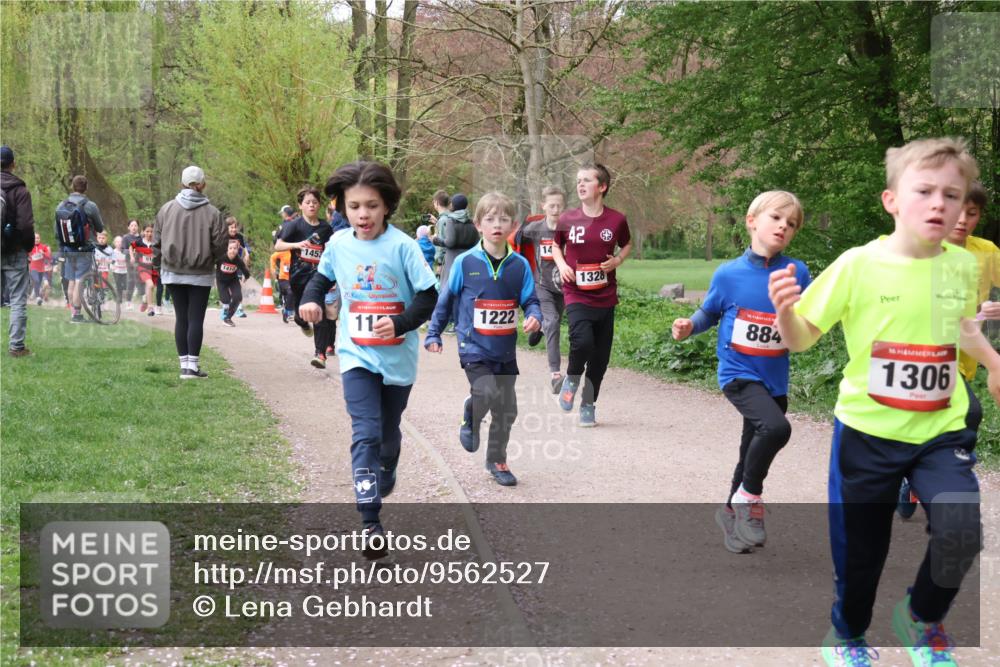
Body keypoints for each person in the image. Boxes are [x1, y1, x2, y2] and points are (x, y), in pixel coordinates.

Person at [767, 138, 996, 667]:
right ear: (892, 199)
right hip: (868, 431)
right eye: (924, 191)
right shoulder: (857, 264)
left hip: (941, 427)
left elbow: (959, 328)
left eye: (952, 195)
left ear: (965, 207)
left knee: (962, 528)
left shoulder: (963, 266)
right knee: (861, 552)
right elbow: (803, 337)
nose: (939, 204)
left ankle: (922, 617)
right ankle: (847, 634)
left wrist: (992, 362)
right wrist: (785, 313)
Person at [299, 161, 438, 559]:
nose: (363, 215)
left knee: (389, 435)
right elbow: (320, 279)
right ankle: (370, 522)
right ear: (342, 207)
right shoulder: (340, 244)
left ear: (387, 207)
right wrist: (310, 300)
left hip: (398, 360)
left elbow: (428, 296)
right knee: (366, 433)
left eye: (372, 206)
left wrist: (399, 323)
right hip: (356, 355)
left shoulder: (404, 246)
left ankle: (388, 468)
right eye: (354, 206)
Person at [672, 191, 810, 554]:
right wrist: (690, 326)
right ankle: (750, 500)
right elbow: (710, 312)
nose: (783, 226)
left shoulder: (797, 272)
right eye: (776, 218)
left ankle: (731, 511)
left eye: (791, 223)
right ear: (752, 221)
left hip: (775, 377)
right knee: (776, 428)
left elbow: (807, 320)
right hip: (737, 372)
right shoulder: (730, 274)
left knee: (751, 447)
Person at [896, 180, 1000, 519]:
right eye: (957, 211)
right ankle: (940, 485)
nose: (962, 220)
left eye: (971, 214)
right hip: (926, 355)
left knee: (942, 423)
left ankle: (912, 478)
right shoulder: (923, 249)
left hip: (967, 356)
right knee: (968, 413)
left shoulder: (987, 252)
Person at [425, 192, 542, 487]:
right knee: (487, 390)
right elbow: (446, 300)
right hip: (472, 345)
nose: (497, 225)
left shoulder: (520, 266)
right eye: (490, 219)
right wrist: (434, 332)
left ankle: (496, 460)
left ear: (513, 225)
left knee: (507, 408)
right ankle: (471, 414)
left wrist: (535, 315)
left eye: (503, 219)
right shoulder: (465, 263)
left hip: (504, 348)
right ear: (478, 224)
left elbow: (531, 300)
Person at [551, 163, 633, 426]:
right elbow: (555, 246)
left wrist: (618, 260)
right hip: (575, 291)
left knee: (600, 357)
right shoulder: (567, 219)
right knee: (582, 341)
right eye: (578, 180)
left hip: (605, 295)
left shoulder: (617, 220)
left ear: (602, 186)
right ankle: (571, 380)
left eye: (586, 180)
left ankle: (588, 404)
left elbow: (628, 243)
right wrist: (563, 265)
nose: (580, 184)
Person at [153, 165, 227, 379]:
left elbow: (156, 242)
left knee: (181, 318)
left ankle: (184, 365)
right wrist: (215, 260)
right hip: (201, 272)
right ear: (202, 184)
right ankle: (192, 367)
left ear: (182, 183)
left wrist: (158, 265)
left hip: (172, 271)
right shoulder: (213, 213)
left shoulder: (166, 210)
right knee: (195, 318)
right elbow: (221, 244)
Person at [275, 186, 335, 368]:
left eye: (315, 202)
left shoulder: (326, 228)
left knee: (320, 313)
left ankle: (320, 354)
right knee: (300, 316)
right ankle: (302, 323)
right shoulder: (294, 225)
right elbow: (278, 245)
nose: (312, 206)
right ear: (300, 205)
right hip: (297, 276)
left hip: (319, 276)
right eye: (308, 202)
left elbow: (332, 250)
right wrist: (296, 245)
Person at [518, 186, 567, 392]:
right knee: (553, 321)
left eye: (559, 205)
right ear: (544, 206)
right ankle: (555, 374)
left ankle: (539, 328)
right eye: (552, 205)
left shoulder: (570, 229)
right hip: (543, 285)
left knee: (554, 321)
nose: (555, 209)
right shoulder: (536, 229)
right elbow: (516, 239)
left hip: (565, 286)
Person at [55, 174, 104, 323]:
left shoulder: (61, 205)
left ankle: (73, 312)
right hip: (84, 248)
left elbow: (57, 231)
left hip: (68, 249)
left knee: (71, 280)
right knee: (79, 281)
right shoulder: (90, 206)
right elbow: (100, 227)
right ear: (86, 187)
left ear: (72, 187)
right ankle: (77, 315)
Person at [1, 145, 35, 356]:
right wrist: (27, 246)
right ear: (13, 164)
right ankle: (16, 347)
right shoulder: (20, 190)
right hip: (14, 251)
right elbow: (25, 225)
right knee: (17, 300)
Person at [217, 239, 251, 327]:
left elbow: (245, 270)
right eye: (230, 248)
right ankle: (225, 308)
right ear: (227, 249)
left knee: (238, 297)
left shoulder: (238, 260)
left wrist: (246, 277)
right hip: (221, 281)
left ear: (237, 249)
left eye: (235, 248)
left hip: (233, 280)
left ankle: (227, 318)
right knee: (226, 300)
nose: (233, 250)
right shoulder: (221, 257)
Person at [131, 224, 157, 315]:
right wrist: (132, 257)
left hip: (153, 269)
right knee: (150, 285)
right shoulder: (139, 242)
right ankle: (150, 308)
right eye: (147, 231)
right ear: (143, 232)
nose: (149, 233)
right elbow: (131, 247)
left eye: (151, 231)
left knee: (151, 287)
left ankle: (146, 301)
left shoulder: (155, 243)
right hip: (142, 268)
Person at [121, 219, 142, 309]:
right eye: (132, 225)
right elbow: (122, 250)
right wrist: (132, 251)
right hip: (130, 261)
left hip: (140, 261)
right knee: (131, 280)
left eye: (135, 225)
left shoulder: (141, 237)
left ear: (138, 227)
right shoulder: (126, 237)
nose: (134, 227)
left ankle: (143, 300)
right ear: (128, 227)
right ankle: (128, 301)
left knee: (142, 279)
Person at [269, 247, 293, 322]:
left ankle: (286, 311)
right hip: (284, 278)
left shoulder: (298, 252)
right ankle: (289, 313)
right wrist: (273, 269)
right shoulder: (285, 251)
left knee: (293, 295)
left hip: (294, 278)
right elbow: (272, 257)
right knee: (290, 292)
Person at [28, 233, 51, 306]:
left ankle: (40, 296)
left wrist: (43, 253)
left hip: (42, 270)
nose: (36, 239)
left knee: (44, 284)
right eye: (35, 238)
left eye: (38, 238)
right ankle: (38, 298)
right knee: (36, 281)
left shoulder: (43, 247)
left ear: (40, 239)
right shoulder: (29, 247)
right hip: (33, 268)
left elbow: (48, 257)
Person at [429, 190, 449, 270]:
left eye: (434, 202)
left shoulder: (442, 220)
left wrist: (439, 263)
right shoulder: (450, 217)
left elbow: (442, 243)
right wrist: (437, 222)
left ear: (437, 203)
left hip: (444, 262)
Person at [111, 235, 128, 304]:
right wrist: (112, 266)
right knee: (118, 285)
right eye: (117, 242)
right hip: (116, 271)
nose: (119, 243)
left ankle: (124, 293)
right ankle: (119, 298)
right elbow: (112, 261)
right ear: (114, 243)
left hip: (125, 271)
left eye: (121, 241)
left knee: (125, 285)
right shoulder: (113, 252)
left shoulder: (125, 252)